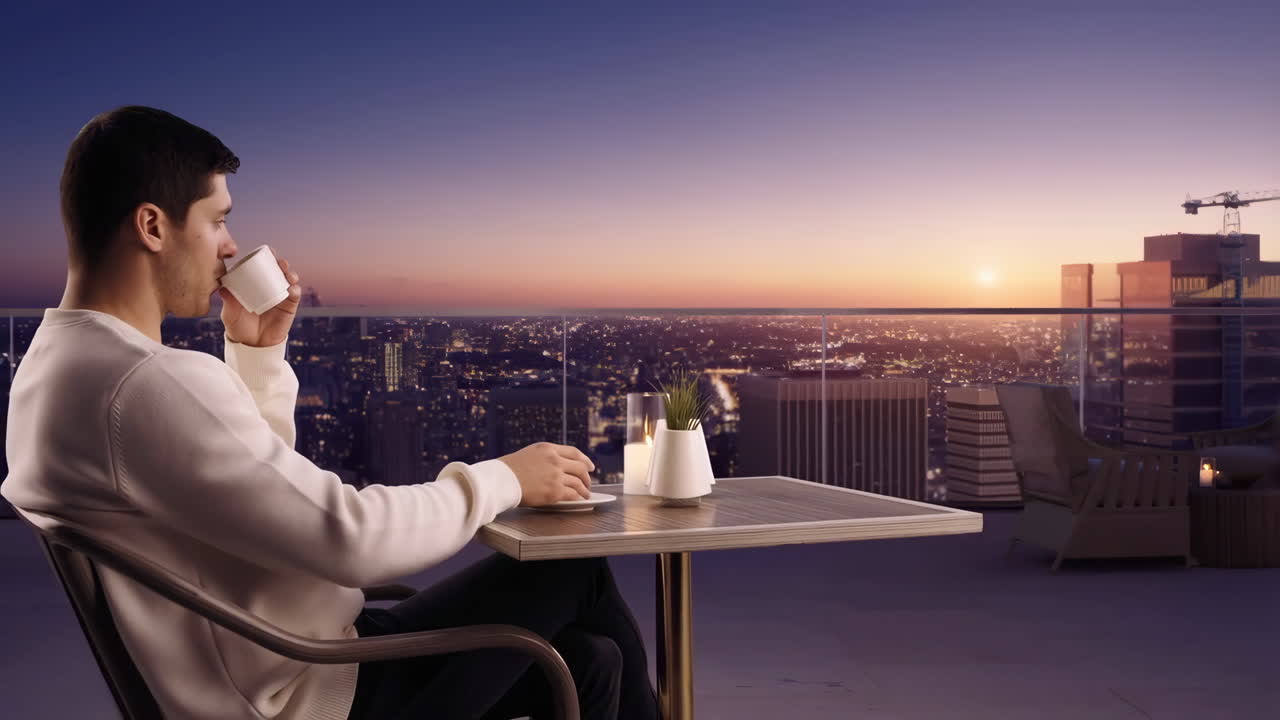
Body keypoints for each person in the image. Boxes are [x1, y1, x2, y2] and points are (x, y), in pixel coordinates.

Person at [1, 106, 658, 720]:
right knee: (573, 566)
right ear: (152, 226)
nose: (229, 246)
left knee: (590, 662)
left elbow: (254, 497)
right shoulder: (143, 383)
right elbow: (350, 539)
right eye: (217, 219)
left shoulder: (60, 365)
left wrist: (257, 355)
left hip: (275, 658)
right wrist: (505, 478)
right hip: (311, 687)